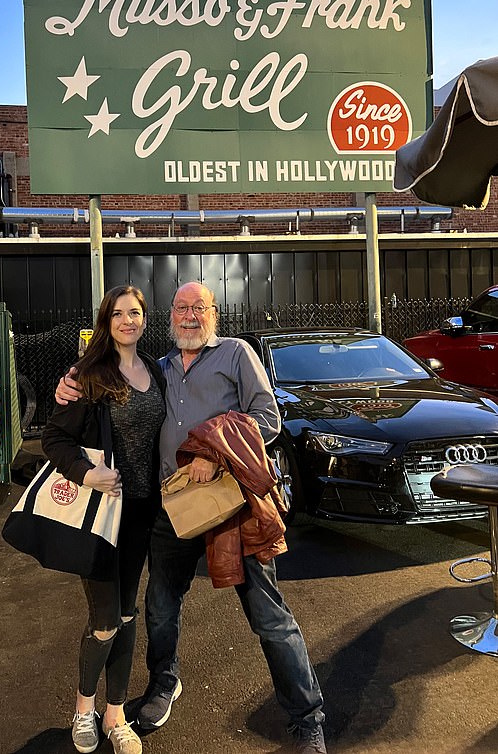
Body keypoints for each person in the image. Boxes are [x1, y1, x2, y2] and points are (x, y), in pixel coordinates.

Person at [56, 282, 327, 754]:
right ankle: (164, 683)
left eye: (197, 308)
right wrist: (71, 379)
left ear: (213, 313)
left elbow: (268, 419)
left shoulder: (237, 354)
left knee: (269, 617)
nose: (188, 316)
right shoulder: (157, 369)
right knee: (161, 606)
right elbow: (106, 389)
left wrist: (214, 450)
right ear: (169, 317)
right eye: (180, 308)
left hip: (231, 506)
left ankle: (307, 719)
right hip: (171, 508)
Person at [43, 285, 166, 754]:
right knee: (104, 621)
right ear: (105, 320)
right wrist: (87, 473)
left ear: (144, 318)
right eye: (118, 314)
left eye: (135, 313)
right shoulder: (88, 375)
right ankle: (82, 709)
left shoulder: (154, 371)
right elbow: (55, 439)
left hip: (140, 514)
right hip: (100, 516)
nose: (128, 321)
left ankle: (115, 716)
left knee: (128, 614)